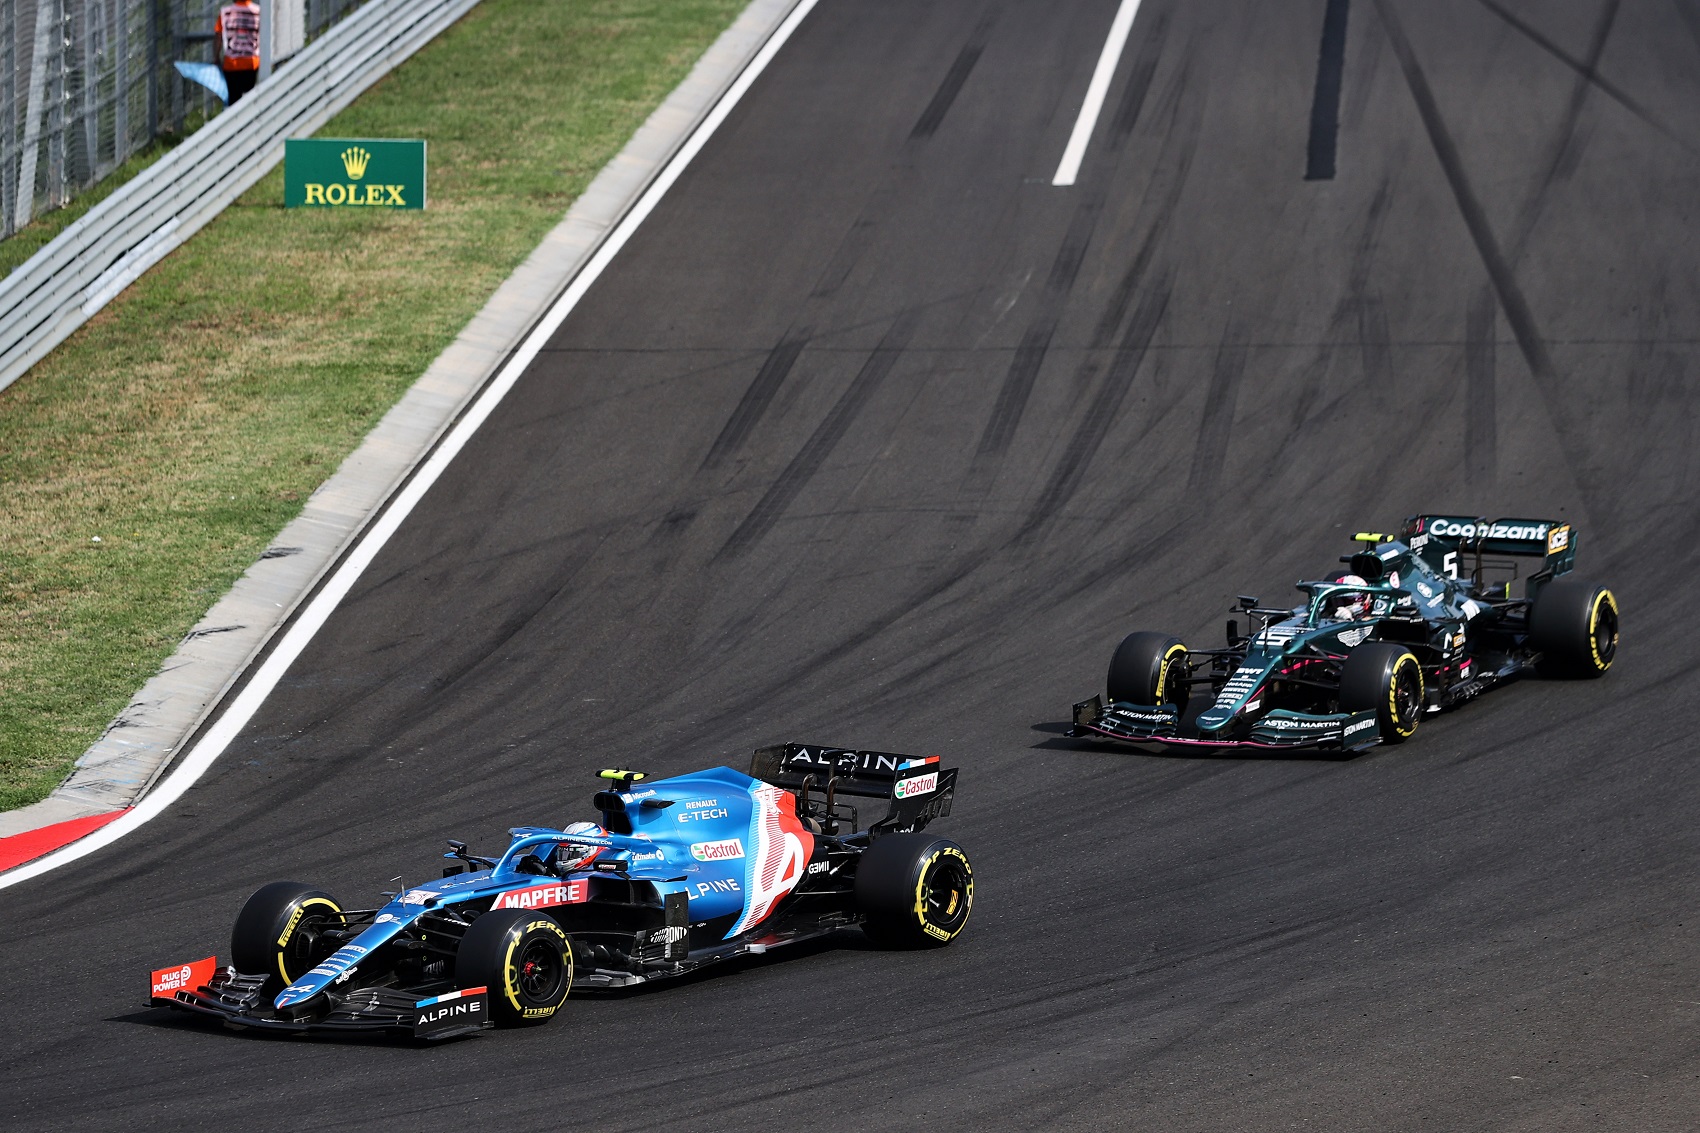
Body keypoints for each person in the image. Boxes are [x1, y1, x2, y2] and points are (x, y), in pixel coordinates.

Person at [215, 1, 261, 104]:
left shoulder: (225, 12)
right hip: (252, 62)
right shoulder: (258, 12)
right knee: (250, 98)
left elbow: (218, 36)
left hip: (231, 63)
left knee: (234, 99)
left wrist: (216, 57)